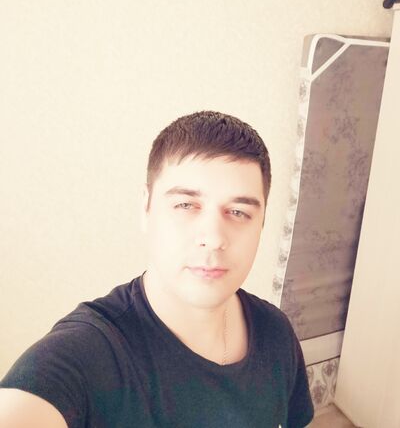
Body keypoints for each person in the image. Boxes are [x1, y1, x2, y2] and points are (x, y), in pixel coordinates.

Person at [0, 110, 314, 428]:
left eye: (238, 212)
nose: (214, 238)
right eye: (186, 205)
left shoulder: (277, 333)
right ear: (146, 208)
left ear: (262, 223)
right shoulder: (86, 355)